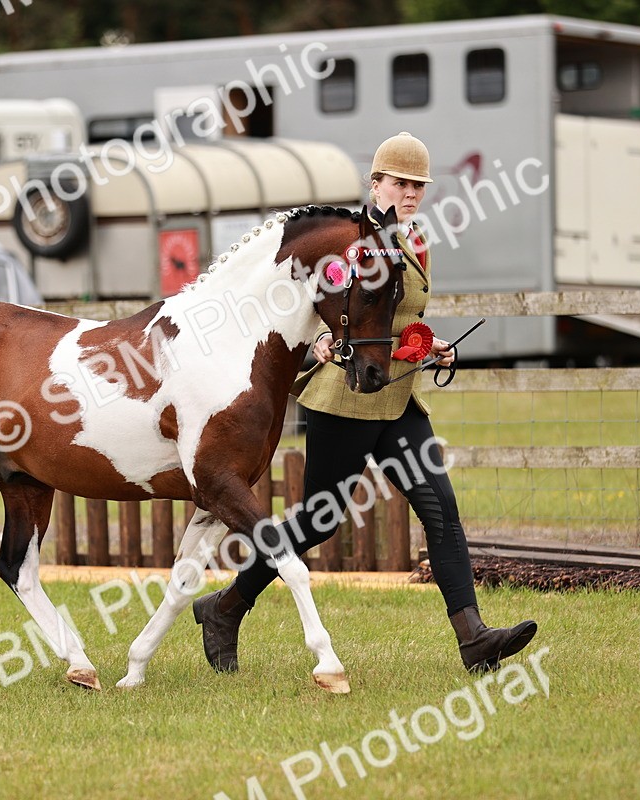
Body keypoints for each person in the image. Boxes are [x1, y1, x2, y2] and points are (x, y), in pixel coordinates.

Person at [193, 132, 538, 675]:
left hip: (398, 399)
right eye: (399, 183)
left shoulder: (417, 240)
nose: (409, 194)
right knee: (315, 523)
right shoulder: (344, 243)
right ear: (375, 183)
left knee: (440, 509)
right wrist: (323, 343)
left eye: (417, 186)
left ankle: (473, 639)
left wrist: (430, 345)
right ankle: (226, 606)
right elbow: (311, 310)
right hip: (345, 400)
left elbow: (400, 317)